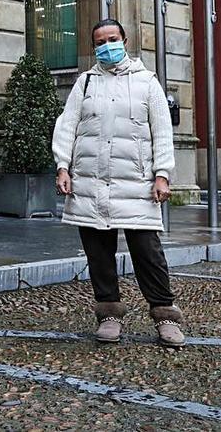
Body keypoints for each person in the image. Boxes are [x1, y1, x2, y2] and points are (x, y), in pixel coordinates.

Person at [52, 18, 185, 347]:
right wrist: (63, 167)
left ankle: (165, 315)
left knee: (148, 253)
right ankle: (108, 313)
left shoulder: (147, 82)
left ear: (124, 40)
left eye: (112, 38)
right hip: (90, 183)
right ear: (93, 45)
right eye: (100, 41)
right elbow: (67, 126)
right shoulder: (85, 83)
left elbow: (162, 132)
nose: (107, 45)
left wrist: (162, 174)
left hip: (136, 184)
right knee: (98, 253)